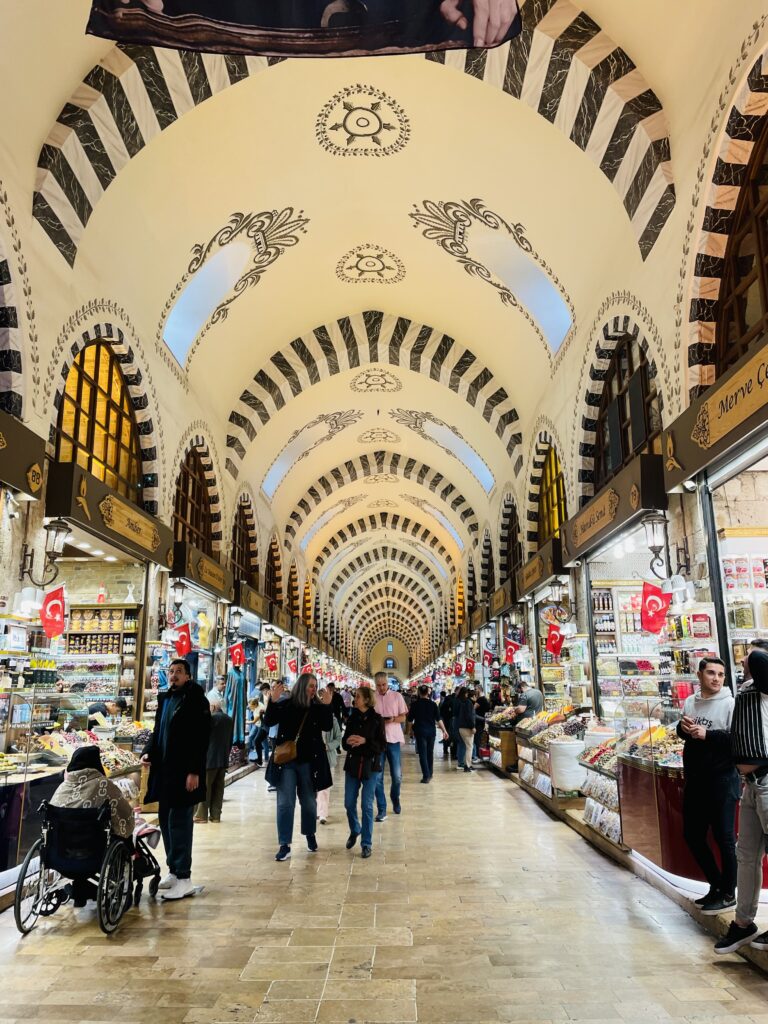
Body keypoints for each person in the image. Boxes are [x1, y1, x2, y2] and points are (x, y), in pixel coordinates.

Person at [141, 658, 211, 901]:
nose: (173, 676)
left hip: (184, 773)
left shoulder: (196, 701)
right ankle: (173, 870)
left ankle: (184, 878)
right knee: (166, 820)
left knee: (180, 823)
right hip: (165, 772)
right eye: (171, 672)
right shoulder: (167, 699)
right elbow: (157, 730)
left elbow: (201, 740)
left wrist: (194, 772)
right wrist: (148, 750)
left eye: (179, 672)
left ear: (188, 676)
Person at [715, 648, 768, 954]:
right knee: (746, 855)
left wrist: (753, 653)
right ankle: (743, 924)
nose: (743, 660)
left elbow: (760, 661)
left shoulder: (765, 681)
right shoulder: (747, 688)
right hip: (750, 785)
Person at [676, 658, 738, 916]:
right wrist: (683, 729)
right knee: (692, 834)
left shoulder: (730, 703)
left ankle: (728, 893)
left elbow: (737, 739)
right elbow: (685, 733)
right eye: (711, 673)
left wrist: (708, 734)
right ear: (699, 674)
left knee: (724, 839)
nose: (716, 678)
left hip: (722, 780)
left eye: (721, 674)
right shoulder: (691, 701)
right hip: (697, 780)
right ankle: (715, 884)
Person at [50, 744, 134, 921]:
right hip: (94, 852)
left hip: (60, 853)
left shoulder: (63, 786)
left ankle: (79, 891)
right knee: (122, 837)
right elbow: (124, 812)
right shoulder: (103, 784)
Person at [263, 673, 334, 861]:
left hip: (309, 762)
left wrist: (327, 705)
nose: (313, 689)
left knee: (309, 803)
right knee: (285, 803)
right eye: (310, 686)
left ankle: (310, 833)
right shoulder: (287, 704)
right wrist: (273, 701)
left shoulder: (317, 707)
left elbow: (327, 727)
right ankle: (284, 844)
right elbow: (268, 721)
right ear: (302, 686)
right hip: (287, 761)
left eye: (315, 686)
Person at [342, 684, 387, 859]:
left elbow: (381, 745)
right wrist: (349, 741)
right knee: (348, 803)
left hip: (371, 766)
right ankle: (355, 829)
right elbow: (345, 742)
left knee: (367, 806)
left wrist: (364, 741)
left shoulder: (377, 719)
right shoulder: (352, 718)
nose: (355, 699)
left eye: (358, 696)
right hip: (353, 765)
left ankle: (366, 843)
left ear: (367, 700)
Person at [372, 672, 408, 820]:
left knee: (397, 776)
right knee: (377, 777)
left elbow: (403, 717)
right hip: (377, 741)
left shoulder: (397, 696)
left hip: (393, 740)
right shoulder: (372, 697)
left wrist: (393, 719)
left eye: (384, 684)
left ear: (388, 683)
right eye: (378, 685)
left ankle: (395, 797)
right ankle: (382, 808)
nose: (381, 688)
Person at [194, 696, 234, 824]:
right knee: (218, 788)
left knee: (205, 787)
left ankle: (201, 815)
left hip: (210, 759)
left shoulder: (211, 719)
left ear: (213, 707)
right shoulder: (229, 719)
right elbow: (230, 740)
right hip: (223, 759)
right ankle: (216, 815)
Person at [408, 684, 448, 783]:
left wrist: (410, 731)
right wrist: (444, 731)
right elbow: (439, 719)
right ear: (428, 693)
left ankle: (426, 776)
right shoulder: (433, 704)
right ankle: (430, 773)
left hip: (420, 731)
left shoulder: (414, 705)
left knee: (422, 754)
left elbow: (410, 720)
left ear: (419, 693)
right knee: (430, 753)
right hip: (431, 732)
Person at [317, 710, 343, 825]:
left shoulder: (333, 720)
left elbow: (338, 738)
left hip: (327, 757)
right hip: (312, 757)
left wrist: (328, 746)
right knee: (312, 786)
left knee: (325, 787)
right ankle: (316, 809)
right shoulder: (311, 718)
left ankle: (322, 813)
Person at [455, 686, 476, 773]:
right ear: (466, 694)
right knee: (469, 747)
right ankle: (467, 766)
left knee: (467, 746)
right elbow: (469, 716)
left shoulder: (460, 702)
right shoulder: (468, 703)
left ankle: (467, 764)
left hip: (460, 727)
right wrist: (472, 727)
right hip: (467, 728)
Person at [474, 686, 491, 764]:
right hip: (482, 721)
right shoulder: (485, 699)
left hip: (479, 722)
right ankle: (479, 756)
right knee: (479, 738)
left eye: (475, 689)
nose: (474, 691)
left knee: (478, 739)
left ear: (479, 690)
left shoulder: (480, 699)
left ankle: (478, 756)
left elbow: (472, 709)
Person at [439, 689, 456, 760]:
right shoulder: (452, 702)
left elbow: (441, 713)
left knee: (445, 735)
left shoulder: (444, 703)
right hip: (451, 722)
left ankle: (445, 750)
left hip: (445, 722)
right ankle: (452, 752)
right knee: (452, 736)